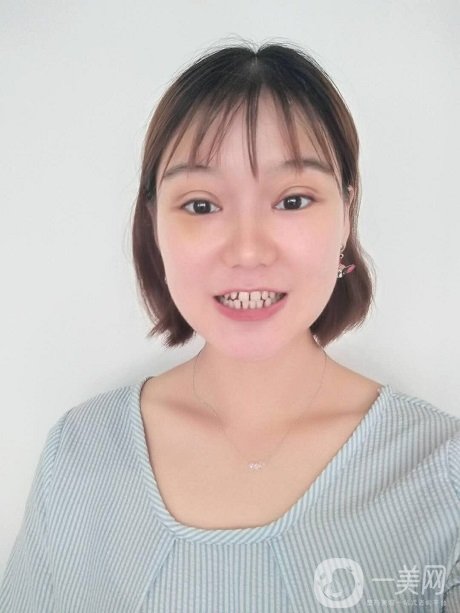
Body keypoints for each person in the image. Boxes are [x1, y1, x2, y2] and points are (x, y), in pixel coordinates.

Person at [1, 40, 459, 612]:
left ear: (347, 212)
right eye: (201, 205)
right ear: (155, 223)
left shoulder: (442, 472)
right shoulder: (80, 454)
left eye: (293, 200)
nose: (247, 250)